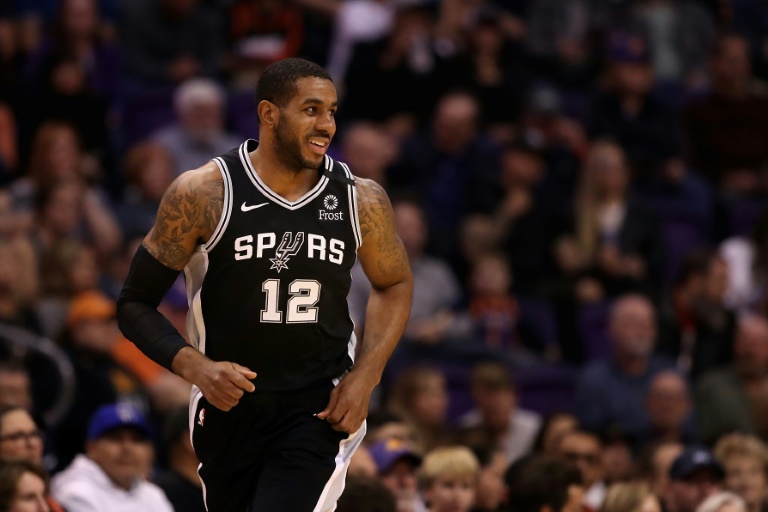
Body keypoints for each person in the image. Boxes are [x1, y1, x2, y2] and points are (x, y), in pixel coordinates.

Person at [117, 57, 414, 512]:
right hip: (228, 404)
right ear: (269, 114)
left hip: (318, 404)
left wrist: (366, 376)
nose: (327, 125)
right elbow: (135, 303)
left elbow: (394, 283)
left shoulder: (359, 197)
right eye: (311, 110)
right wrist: (196, 367)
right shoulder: (203, 193)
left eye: (332, 112)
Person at [51, 403, 173, 512]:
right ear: (92, 448)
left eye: (137, 440)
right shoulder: (75, 493)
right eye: (116, 438)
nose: (127, 448)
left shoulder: (153, 495)